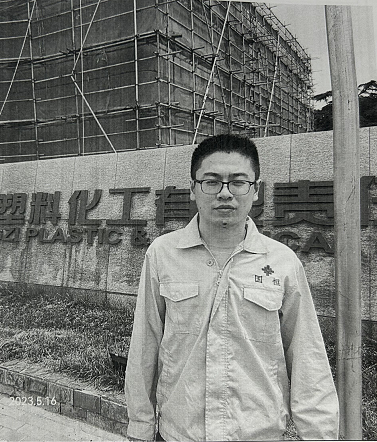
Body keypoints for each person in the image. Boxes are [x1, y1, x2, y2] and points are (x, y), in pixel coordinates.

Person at [124, 134, 339, 441]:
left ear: (256, 190)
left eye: (238, 182)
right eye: (211, 182)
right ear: (193, 188)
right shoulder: (162, 254)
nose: (225, 193)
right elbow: (145, 345)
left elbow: (307, 355)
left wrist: (318, 434)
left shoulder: (282, 262)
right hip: (180, 434)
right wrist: (140, 426)